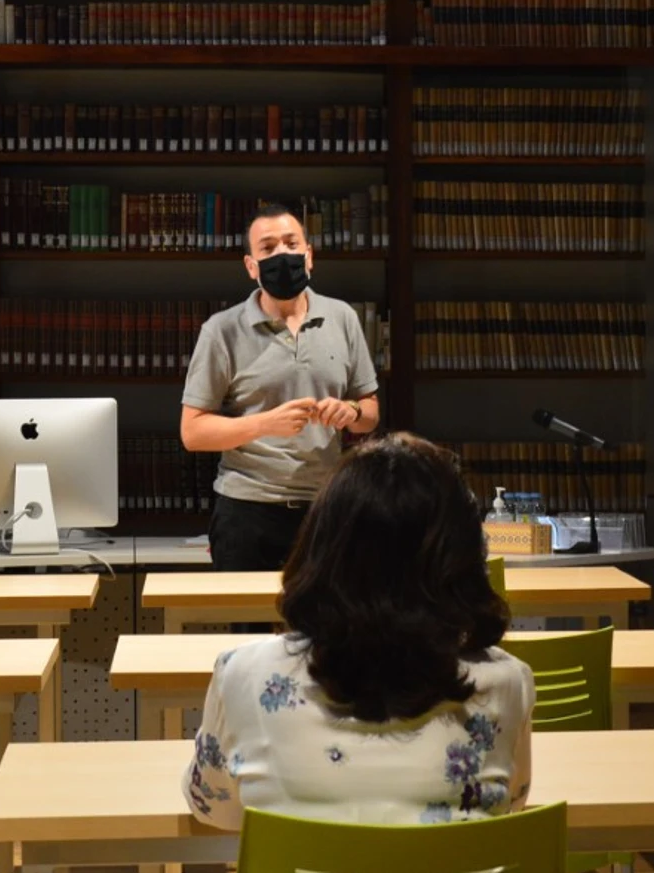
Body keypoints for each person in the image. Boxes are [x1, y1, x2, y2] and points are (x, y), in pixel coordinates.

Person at [182, 432, 534, 829]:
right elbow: (509, 805)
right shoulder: (508, 682)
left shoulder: (243, 673)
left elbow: (214, 808)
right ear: (465, 554)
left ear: (319, 544)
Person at [181, 204, 380, 571]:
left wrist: (350, 412)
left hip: (327, 510)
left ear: (309, 255)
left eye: (291, 244)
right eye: (268, 248)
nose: (282, 255)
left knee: (328, 627)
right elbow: (193, 433)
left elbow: (369, 414)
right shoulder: (221, 330)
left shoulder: (343, 318)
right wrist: (263, 425)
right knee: (251, 629)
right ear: (251, 266)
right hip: (247, 515)